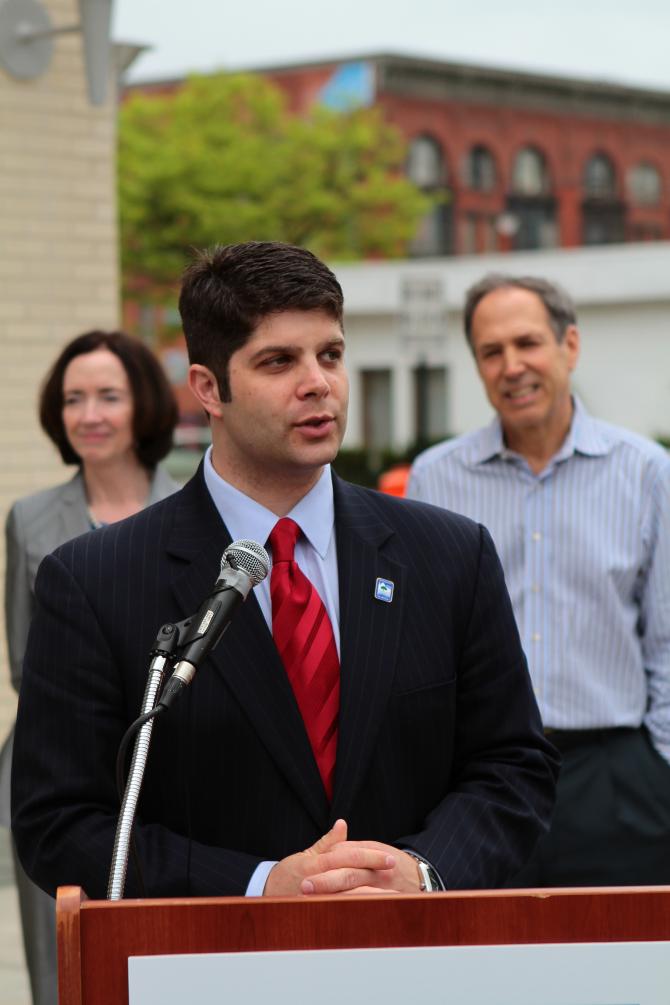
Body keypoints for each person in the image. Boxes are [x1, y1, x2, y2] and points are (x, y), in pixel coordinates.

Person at [11, 244, 558, 903]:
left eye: (330, 354)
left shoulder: (449, 553)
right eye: (279, 361)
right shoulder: (94, 578)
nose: (318, 382)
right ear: (209, 388)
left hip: (414, 955)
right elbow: (59, 822)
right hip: (209, 970)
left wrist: (424, 871)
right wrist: (258, 884)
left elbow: (513, 766)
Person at [407, 273, 670, 886]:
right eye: (491, 352)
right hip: (481, 782)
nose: (511, 366)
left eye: (527, 343)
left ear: (569, 346)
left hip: (617, 777)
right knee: (490, 966)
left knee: (623, 970)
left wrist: (658, 771)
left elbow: (667, 638)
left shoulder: (648, 473)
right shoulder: (436, 479)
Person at [1, 330, 179, 1005]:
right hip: (54, 769)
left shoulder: (196, 505)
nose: (89, 414)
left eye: (109, 395)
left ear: (144, 408)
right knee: (59, 963)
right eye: (73, 398)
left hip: (169, 768)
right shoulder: (30, 518)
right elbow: (24, 656)